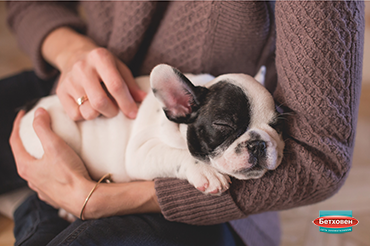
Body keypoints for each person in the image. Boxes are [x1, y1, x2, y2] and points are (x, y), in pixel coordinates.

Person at [1, 1, 364, 245]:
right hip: (80, 95)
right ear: (178, 107)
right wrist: (70, 51)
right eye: (228, 129)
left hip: (201, 202)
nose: (257, 141)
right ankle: (37, 208)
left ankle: (35, 212)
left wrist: (94, 199)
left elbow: (321, 159)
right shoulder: (184, 104)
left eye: (274, 126)